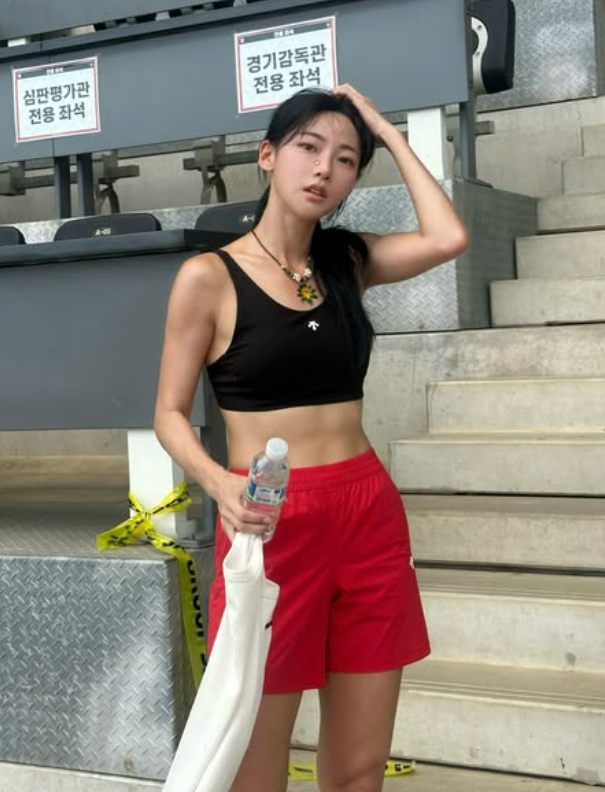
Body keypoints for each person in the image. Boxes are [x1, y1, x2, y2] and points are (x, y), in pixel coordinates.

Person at [154, 84, 468, 792]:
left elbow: (448, 237)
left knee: (358, 770)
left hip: (366, 513)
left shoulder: (346, 262)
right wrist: (218, 483)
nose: (324, 168)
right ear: (267, 156)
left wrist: (388, 133)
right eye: (308, 147)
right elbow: (169, 412)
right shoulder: (208, 278)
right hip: (270, 520)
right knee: (253, 767)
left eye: (347, 158)